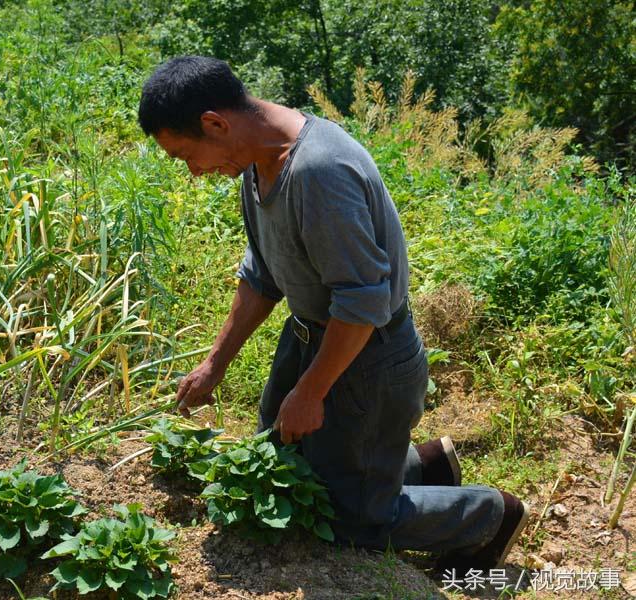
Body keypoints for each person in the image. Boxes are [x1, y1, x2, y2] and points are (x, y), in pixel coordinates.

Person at [137, 56, 530, 571]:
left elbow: (363, 302)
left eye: (187, 155)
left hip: (366, 356)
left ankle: (490, 515)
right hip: (310, 340)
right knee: (288, 464)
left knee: (351, 520)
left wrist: (311, 391)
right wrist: (216, 363)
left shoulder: (319, 172)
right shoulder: (257, 162)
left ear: (215, 123)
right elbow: (262, 275)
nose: (192, 171)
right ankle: (426, 466)